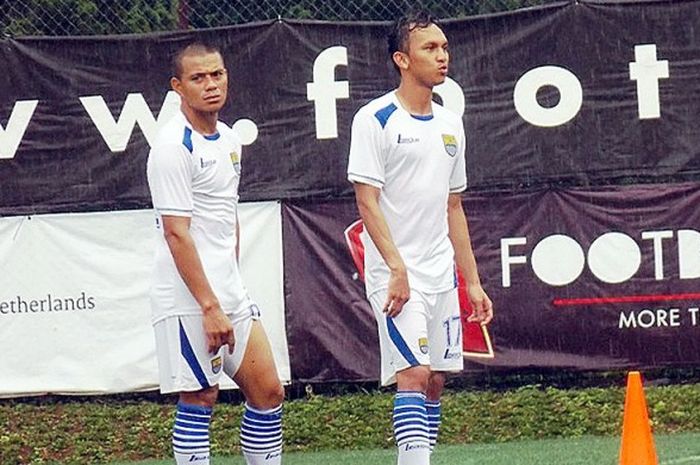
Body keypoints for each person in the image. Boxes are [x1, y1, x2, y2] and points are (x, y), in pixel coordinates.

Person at [347, 11, 493, 465]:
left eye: (444, 47)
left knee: (434, 380)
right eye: (430, 49)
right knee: (414, 373)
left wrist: (471, 281)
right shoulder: (375, 119)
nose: (442, 56)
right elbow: (366, 201)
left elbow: (453, 206)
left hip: (440, 274)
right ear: (402, 60)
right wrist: (395, 268)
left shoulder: (451, 123)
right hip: (395, 274)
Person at [146, 42, 284, 465]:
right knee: (201, 397)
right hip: (190, 300)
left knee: (269, 392)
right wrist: (208, 305)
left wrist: (232, 287)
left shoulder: (227, 139)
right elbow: (177, 234)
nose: (210, 85)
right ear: (178, 86)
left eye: (217, 75)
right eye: (198, 78)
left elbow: (227, 215)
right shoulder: (172, 145)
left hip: (229, 294)